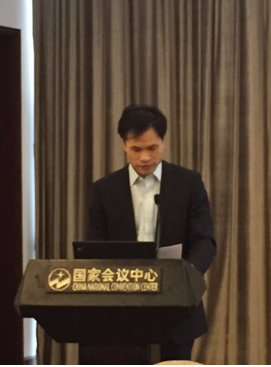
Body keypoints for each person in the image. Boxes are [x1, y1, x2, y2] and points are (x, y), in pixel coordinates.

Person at [87, 104, 217, 361]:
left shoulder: (188, 183)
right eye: (136, 149)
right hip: (122, 308)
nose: (145, 157)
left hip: (177, 305)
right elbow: (95, 244)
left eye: (152, 148)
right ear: (124, 145)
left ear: (163, 142)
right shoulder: (104, 190)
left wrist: (187, 275)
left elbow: (204, 240)